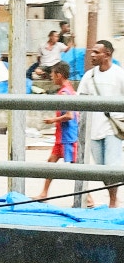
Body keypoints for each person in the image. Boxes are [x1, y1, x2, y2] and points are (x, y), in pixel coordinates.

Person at [77, 40, 124, 209]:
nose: (92, 55)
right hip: (93, 128)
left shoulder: (119, 74)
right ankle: (112, 196)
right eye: (92, 51)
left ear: (108, 54)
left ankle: (113, 200)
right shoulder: (89, 76)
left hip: (113, 128)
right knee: (101, 167)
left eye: (97, 52)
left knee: (112, 166)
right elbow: (80, 99)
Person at [36, 61, 78, 201]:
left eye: (53, 75)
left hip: (67, 137)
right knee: (51, 163)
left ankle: (88, 198)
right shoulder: (68, 89)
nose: (52, 78)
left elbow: (69, 115)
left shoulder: (64, 93)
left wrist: (52, 120)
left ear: (59, 75)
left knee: (76, 168)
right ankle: (43, 193)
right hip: (62, 137)